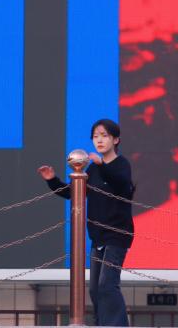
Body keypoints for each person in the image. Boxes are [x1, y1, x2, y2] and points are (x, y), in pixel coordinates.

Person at [38, 119, 134, 327]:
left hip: (117, 234)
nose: (99, 140)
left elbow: (122, 184)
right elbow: (73, 193)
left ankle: (116, 325)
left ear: (116, 140)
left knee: (107, 284)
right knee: (95, 289)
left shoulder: (121, 164)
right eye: (95, 136)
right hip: (98, 235)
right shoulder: (93, 169)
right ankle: (101, 323)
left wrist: (102, 165)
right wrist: (52, 179)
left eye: (104, 135)